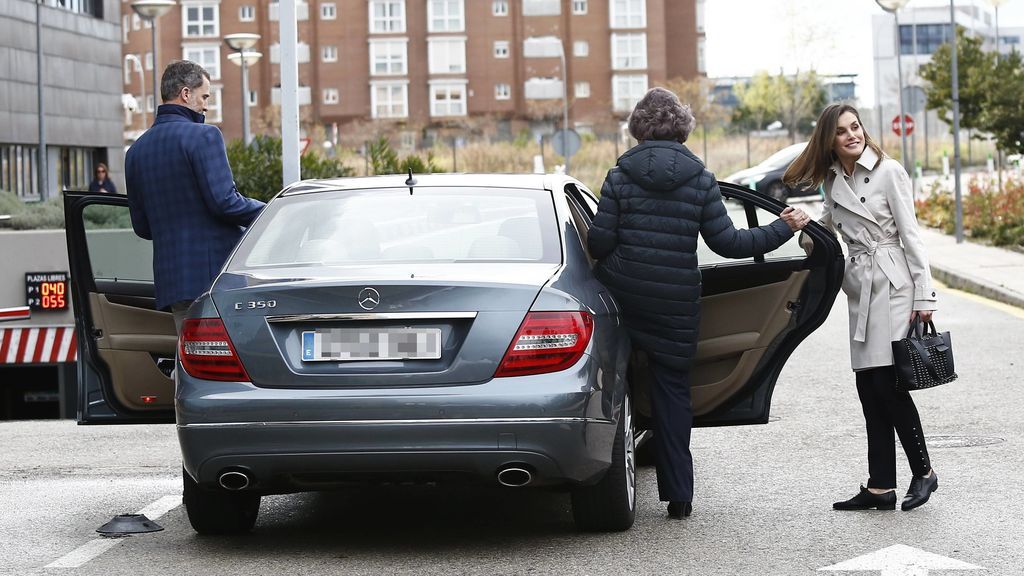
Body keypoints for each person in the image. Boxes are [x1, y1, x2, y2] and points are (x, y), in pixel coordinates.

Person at [587, 87, 810, 519]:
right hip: (675, 304)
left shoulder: (619, 176)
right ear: (683, 128)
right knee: (674, 394)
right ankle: (679, 496)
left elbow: (598, 240)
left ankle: (607, 478)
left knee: (614, 383)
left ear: (638, 128)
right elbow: (729, 244)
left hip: (625, 297)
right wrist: (782, 228)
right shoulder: (701, 178)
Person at [783, 103, 938, 512]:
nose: (853, 134)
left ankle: (923, 472)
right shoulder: (833, 180)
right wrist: (804, 224)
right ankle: (880, 486)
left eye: (856, 127)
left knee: (887, 383)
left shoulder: (889, 171)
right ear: (829, 140)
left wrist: (925, 295)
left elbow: (912, 235)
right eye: (842, 131)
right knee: (868, 386)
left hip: (893, 281)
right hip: (861, 286)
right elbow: (829, 231)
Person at [125, 60, 265, 335]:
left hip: (173, 282)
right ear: (186, 94)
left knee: (193, 361)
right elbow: (225, 202)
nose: (206, 105)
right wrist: (271, 214)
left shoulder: (136, 152)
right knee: (232, 364)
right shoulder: (204, 136)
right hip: (215, 279)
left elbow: (142, 227)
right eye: (204, 96)